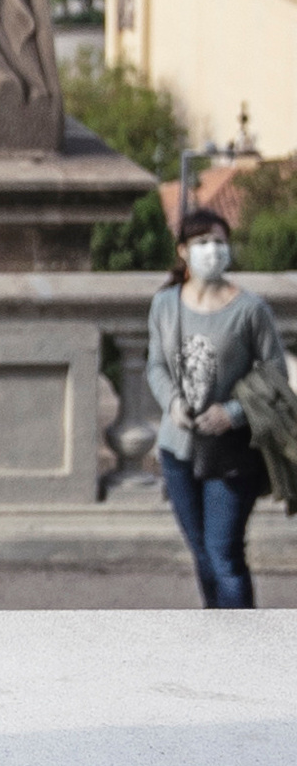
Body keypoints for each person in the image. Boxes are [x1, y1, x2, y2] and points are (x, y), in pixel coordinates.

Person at [150, 206, 286, 610]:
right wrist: (172, 403)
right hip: (178, 448)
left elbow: (275, 373)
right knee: (203, 556)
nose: (212, 250)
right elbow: (155, 364)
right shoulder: (165, 304)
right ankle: (216, 638)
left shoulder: (250, 310)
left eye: (219, 242)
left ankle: (240, 646)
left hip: (231, 451)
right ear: (183, 251)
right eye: (202, 242)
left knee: (224, 553)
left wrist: (233, 413)